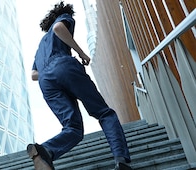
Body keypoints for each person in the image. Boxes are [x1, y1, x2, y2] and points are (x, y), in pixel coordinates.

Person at [26, 1, 132, 170]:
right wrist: (81, 53)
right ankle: (121, 160)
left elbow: (33, 75)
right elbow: (59, 28)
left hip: (46, 82)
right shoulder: (63, 18)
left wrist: (51, 73)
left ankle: (46, 150)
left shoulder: (41, 46)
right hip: (64, 66)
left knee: (73, 128)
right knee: (104, 113)